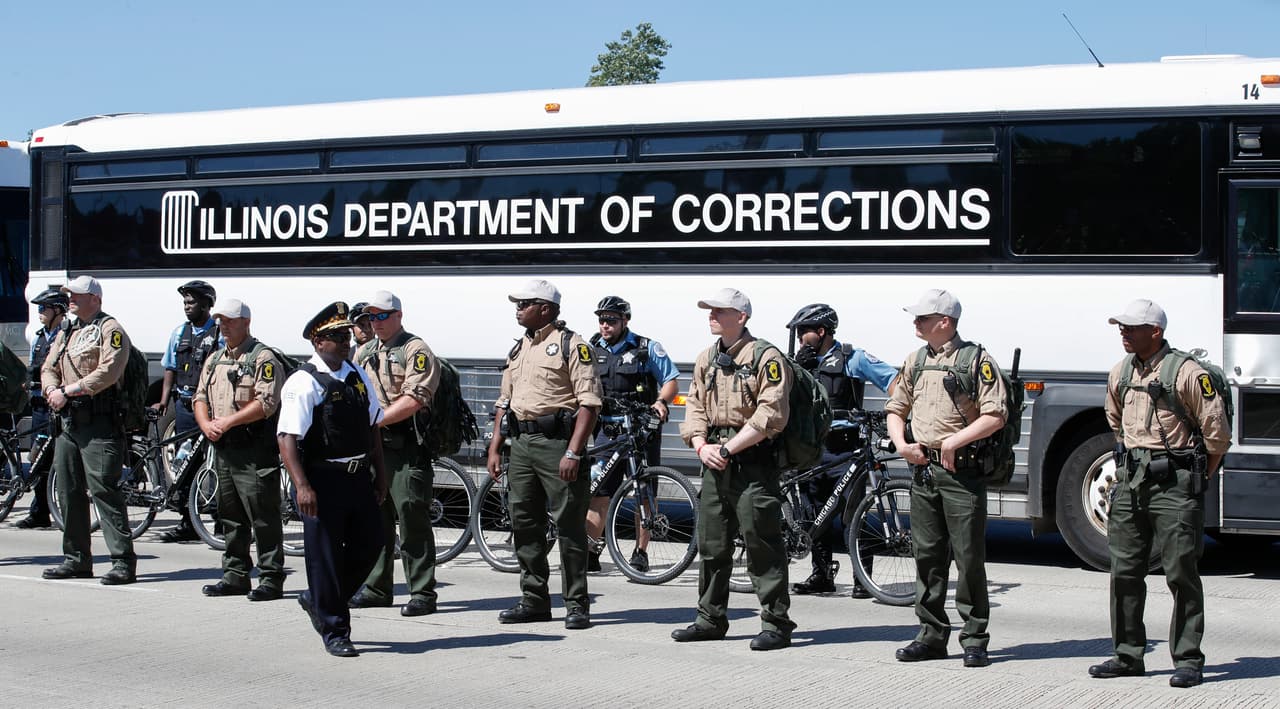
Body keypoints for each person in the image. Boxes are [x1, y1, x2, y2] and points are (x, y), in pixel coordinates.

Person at [1088, 299, 1230, 689]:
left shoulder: (1186, 373)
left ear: (1156, 331)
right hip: (1131, 483)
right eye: (1121, 326)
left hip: (1174, 486)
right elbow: (1115, 423)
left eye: (1132, 327)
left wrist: (1193, 478)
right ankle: (1127, 654)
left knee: (1181, 572)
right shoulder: (1120, 372)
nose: (1124, 332)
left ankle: (1187, 659)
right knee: (1124, 572)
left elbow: (1216, 434)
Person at [885, 289, 1006, 668]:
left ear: (945, 322)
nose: (916, 322)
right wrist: (901, 443)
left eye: (923, 317)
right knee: (927, 556)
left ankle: (974, 638)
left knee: (969, 558)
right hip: (923, 470)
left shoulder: (976, 361)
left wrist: (955, 440)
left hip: (961, 473)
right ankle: (932, 635)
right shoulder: (916, 361)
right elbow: (895, 407)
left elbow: (995, 414)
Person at [672, 287, 796, 652]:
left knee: (762, 544)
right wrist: (700, 444)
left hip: (753, 462)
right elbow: (694, 405)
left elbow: (770, 414)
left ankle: (776, 624)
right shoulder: (706, 358)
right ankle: (709, 619)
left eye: (720, 310)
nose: (711, 315)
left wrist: (726, 448)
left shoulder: (766, 357)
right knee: (712, 543)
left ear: (741, 317)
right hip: (714, 461)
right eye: (710, 309)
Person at [485, 279, 602, 630]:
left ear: (546, 308)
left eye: (525, 303)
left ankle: (576, 604)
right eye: (517, 304)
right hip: (520, 447)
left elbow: (589, 404)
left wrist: (573, 452)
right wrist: (495, 447)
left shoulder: (572, 345)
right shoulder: (518, 349)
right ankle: (534, 600)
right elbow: (504, 403)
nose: (518, 309)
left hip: (557, 446)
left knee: (568, 526)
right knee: (524, 523)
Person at [278, 302, 387, 658]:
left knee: (373, 541)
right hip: (322, 480)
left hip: (357, 477)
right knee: (324, 557)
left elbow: (373, 427)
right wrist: (302, 485)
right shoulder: (303, 380)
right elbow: (287, 437)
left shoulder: (355, 374)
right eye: (337, 337)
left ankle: (320, 599)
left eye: (347, 335)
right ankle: (335, 631)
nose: (346, 342)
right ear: (317, 342)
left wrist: (380, 475)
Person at [785, 303, 898, 599]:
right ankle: (821, 575)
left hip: (847, 449)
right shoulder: (798, 362)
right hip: (811, 448)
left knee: (854, 516)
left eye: (803, 333)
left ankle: (863, 579)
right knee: (813, 514)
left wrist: (894, 413)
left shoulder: (852, 358)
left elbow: (895, 382)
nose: (799, 340)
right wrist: (797, 369)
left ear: (821, 332)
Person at [348, 290, 443, 617]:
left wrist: (377, 421)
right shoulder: (364, 352)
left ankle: (422, 593)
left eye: (383, 316)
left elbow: (416, 396)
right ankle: (376, 587)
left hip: (405, 448)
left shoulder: (415, 350)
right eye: (372, 317)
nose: (377, 322)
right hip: (371, 448)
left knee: (412, 519)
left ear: (398, 316)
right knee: (376, 520)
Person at [39, 275, 136, 585]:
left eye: (78, 295)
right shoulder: (68, 330)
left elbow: (109, 370)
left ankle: (122, 561)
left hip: (99, 422)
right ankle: (76, 559)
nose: (71, 299)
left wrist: (68, 391)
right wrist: (53, 389)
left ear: (96, 299)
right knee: (68, 492)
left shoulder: (110, 329)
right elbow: (48, 367)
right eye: (70, 294)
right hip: (68, 423)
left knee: (104, 491)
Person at [193, 298, 286, 602]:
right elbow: (200, 397)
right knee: (230, 514)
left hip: (253, 448)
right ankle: (235, 575)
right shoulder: (216, 358)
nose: (223, 325)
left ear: (246, 322)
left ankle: (271, 578)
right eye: (220, 320)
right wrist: (206, 425)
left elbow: (266, 403)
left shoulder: (263, 359)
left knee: (263, 515)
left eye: (230, 320)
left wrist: (229, 421)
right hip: (224, 448)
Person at [584, 295, 680, 573]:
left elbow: (670, 381)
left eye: (611, 320)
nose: (605, 325)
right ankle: (590, 550)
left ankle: (640, 552)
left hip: (640, 431)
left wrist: (661, 401)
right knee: (599, 492)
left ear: (625, 320)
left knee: (644, 492)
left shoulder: (646, 348)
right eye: (601, 320)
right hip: (607, 430)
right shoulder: (591, 348)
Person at [155, 280, 221, 542]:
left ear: (207, 304)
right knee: (185, 462)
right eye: (185, 302)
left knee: (216, 464)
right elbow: (170, 368)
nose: (187, 307)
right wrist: (163, 401)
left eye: (192, 302)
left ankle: (220, 523)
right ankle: (188, 522)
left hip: (212, 409)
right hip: (184, 406)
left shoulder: (219, 335)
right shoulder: (179, 333)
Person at [13, 286, 68, 529]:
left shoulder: (65, 336)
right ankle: (39, 511)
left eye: (43, 308)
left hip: (56, 406)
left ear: (58, 310)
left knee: (61, 459)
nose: (39, 312)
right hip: (37, 404)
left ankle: (64, 511)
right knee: (38, 458)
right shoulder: (39, 336)